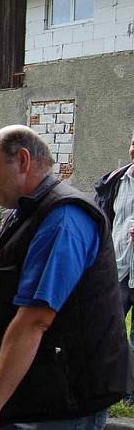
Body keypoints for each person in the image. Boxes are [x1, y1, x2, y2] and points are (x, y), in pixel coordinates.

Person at [0, 125, 132, 430]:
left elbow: (34, 321)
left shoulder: (65, 219)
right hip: (26, 390)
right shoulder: (21, 215)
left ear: (22, 161)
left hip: (64, 399)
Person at [94, 132, 134, 352]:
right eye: (133, 143)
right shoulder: (115, 182)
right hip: (117, 270)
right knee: (107, 333)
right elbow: (102, 221)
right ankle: (112, 385)